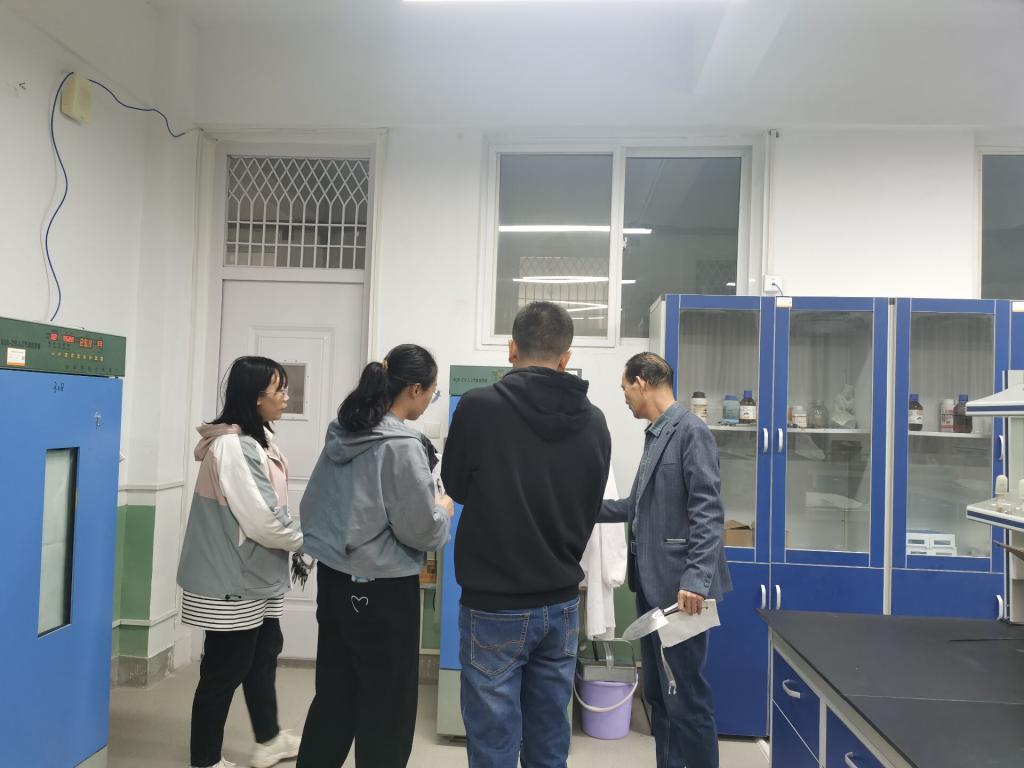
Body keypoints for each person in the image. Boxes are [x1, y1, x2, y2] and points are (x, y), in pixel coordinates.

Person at [442, 301, 611, 768]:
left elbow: (456, 486)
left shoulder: (479, 407)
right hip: (561, 604)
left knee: (494, 744)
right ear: (566, 357)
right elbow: (591, 504)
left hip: (494, 604)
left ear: (511, 348)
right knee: (550, 740)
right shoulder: (595, 421)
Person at [296, 344, 454, 768]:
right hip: (383, 590)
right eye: (433, 391)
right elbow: (420, 530)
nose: (431, 399)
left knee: (334, 696)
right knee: (387, 708)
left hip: (334, 580)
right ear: (415, 389)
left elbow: (318, 506)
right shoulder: (401, 446)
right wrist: (442, 510)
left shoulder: (342, 432)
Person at [600, 352, 731, 768]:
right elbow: (635, 505)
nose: (624, 398)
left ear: (641, 382)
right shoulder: (657, 435)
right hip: (652, 587)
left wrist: (695, 580)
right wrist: (578, 508)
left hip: (681, 593)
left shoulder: (691, 432)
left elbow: (707, 510)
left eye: (624, 388)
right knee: (660, 696)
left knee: (686, 696)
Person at [177, 356, 305, 768]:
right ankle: (205, 760)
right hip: (231, 577)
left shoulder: (260, 438)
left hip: (259, 573)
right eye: (279, 390)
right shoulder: (232, 446)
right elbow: (261, 519)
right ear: (255, 397)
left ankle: (268, 739)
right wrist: (309, 540)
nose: (285, 397)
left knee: (263, 655)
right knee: (224, 669)